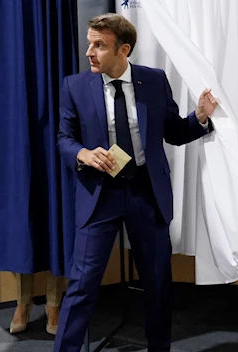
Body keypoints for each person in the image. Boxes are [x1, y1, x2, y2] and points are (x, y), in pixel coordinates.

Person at [54, 13, 217, 352]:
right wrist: (82, 153)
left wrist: (199, 118)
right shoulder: (75, 86)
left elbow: (172, 131)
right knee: (82, 284)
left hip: (147, 192)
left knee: (158, 283)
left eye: (99, 45)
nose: (90, 53)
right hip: (99, 194)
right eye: (89, 44)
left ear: (123, 50)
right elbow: (63, 138)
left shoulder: (154, 81)